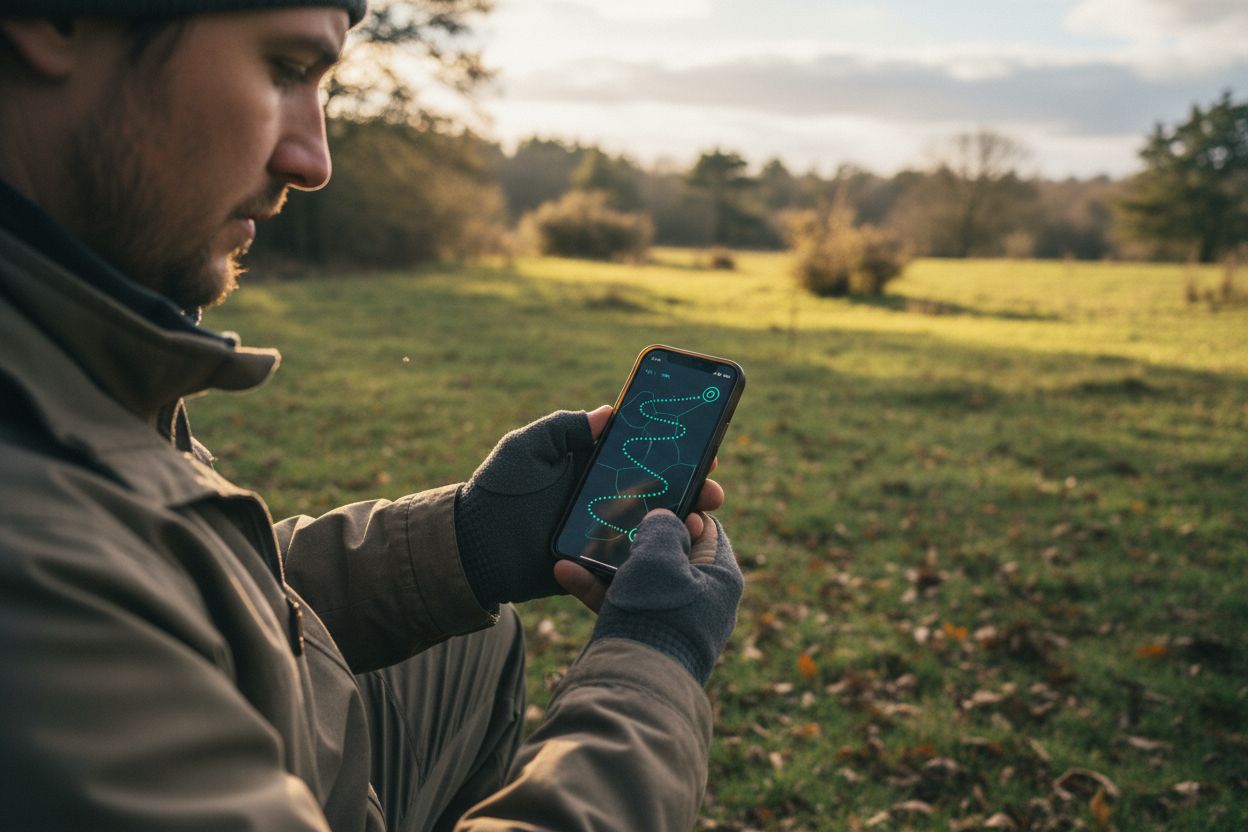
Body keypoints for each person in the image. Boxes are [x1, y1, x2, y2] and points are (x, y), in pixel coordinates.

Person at [0, 2, 744, 830]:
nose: (313, 158)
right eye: (283, 68)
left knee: (471, 634)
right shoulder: (31, 564)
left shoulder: (63, 355)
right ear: (56, 18)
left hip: (305, 753)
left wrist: (459, 545)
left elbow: (176, 591)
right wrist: (655, 665)